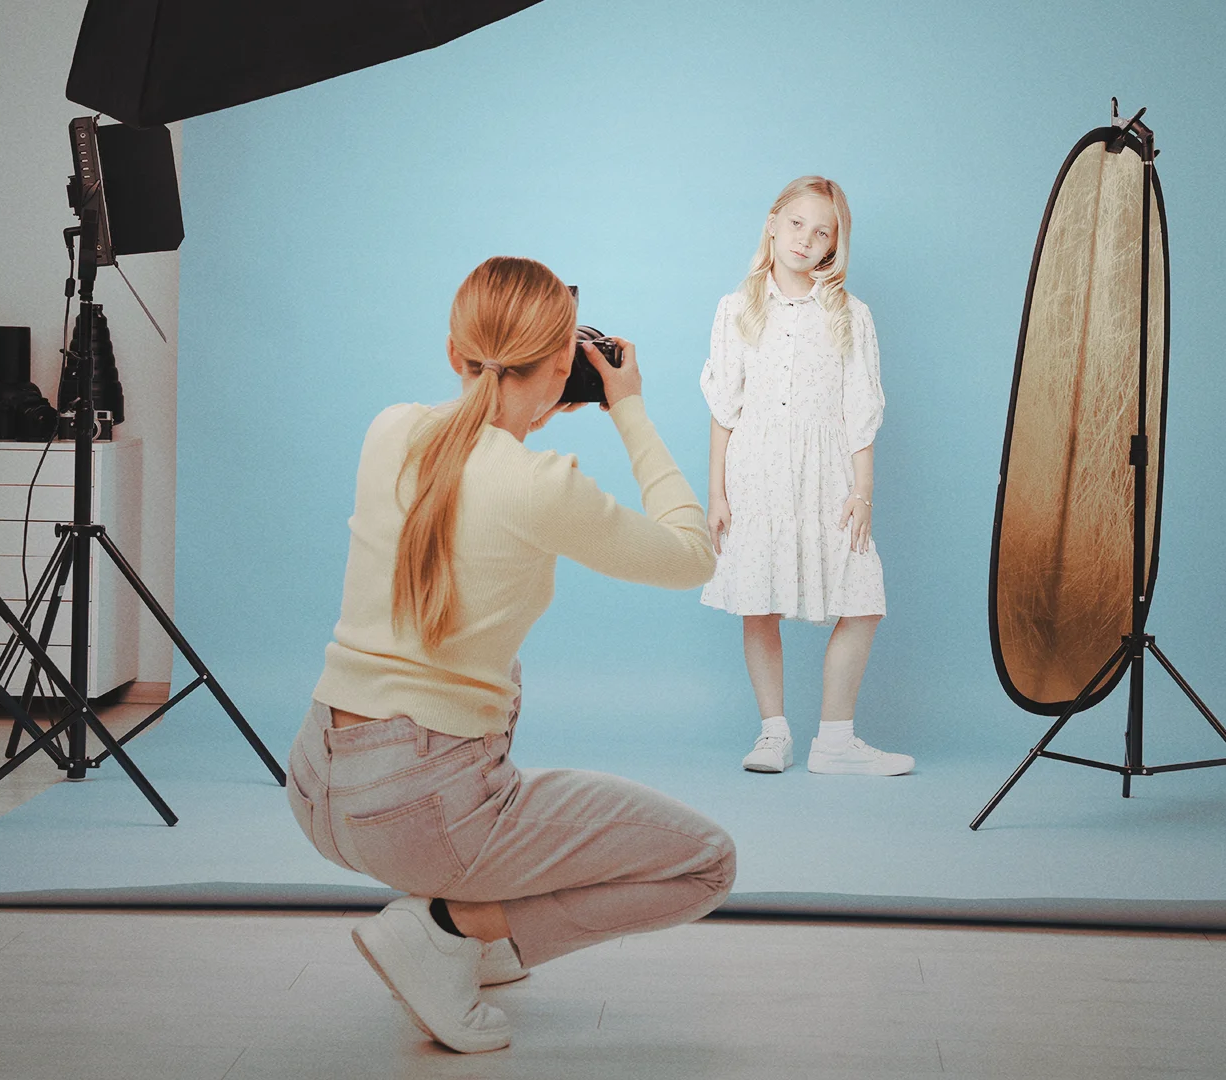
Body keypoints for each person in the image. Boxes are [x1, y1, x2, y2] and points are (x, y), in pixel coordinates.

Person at [288, 256, 735, 1054]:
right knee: (707, 863)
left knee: (494, 671)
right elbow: (693, 554)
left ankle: (476, 948)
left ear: (456, 352)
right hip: (418, 813)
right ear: (565, 365)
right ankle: (453, 930)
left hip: (319, 784)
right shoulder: (542, 486)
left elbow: (469, 465)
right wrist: (627, 409)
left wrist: (525, 413)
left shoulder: (389, 428)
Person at [700, 176, 912, 777]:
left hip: (827, 474)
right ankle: (773, 734)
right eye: (796, 224)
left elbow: (861, 411)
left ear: (833, 246)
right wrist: (715, 491)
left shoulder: (851, 314)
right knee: (758, 602)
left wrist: (862, 491)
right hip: (756, 473)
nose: (805, 239)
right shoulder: (736, 308)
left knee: (862, 598)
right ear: (773, 223)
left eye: (822, 232)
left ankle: (835, 740)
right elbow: (724, 408)